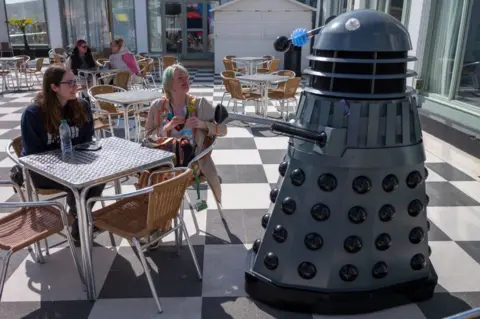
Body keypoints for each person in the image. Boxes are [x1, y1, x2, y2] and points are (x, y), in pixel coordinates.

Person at [20, 66, 105, 243]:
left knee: (102, 174)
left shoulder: (82, 106)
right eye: (70, 83)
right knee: (81, 182)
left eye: (76, 82)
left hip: (73, 163)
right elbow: (33, 157)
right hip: (40, 171)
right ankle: (80, 218)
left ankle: (76, 215)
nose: (76, 86)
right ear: (54, 87)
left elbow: (87, 141)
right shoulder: (34, 114)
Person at [144, 64, 226, 204]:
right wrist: (165, 128)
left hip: (194, 161)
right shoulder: (157, 106)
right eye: (180, 78)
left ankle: (164, 216)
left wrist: (202, 124)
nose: (186, 81)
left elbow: (223, 129)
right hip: (165, 159)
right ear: (169, 84)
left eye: (187, 77)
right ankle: (160, 216)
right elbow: (147, 137)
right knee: (148, 175)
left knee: (160, 177)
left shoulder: (199, 104)